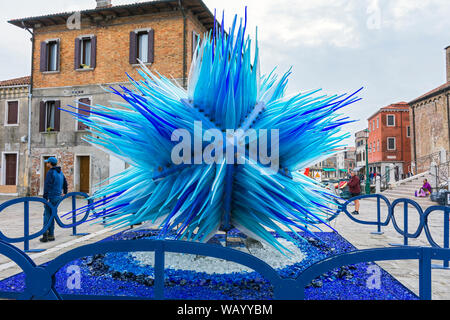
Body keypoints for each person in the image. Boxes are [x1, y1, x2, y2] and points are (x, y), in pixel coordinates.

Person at [40, 157, 68, 243]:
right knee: (52, 214)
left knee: (47, 215)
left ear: (50, 163)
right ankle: (51, 235)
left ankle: (45, 235)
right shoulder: (60, 172)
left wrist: (45, 198)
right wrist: (65, 192)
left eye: (47, 162)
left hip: (51, 197)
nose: (46, 164)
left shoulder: (50, 172)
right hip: (58, 197)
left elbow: (47, 185)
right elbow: (65, 183)